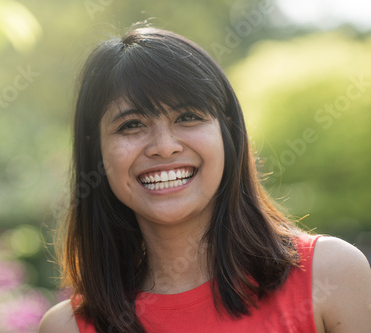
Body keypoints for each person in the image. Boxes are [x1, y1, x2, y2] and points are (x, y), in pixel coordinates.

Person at [39, 27, 371, 333]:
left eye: (187, 117)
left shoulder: (330, 276)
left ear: (227, 128)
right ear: (94, 149)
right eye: (131, 125)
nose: (164, 148)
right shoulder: (67, 326)